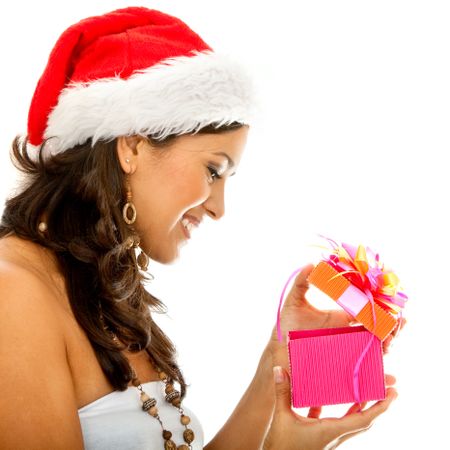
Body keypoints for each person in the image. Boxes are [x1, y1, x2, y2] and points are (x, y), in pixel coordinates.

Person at [0, 6, 402, 450]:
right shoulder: (12, 293)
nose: (219, 208)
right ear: (132, 146)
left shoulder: (94, 286)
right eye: (214, 170)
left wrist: (278, 363)